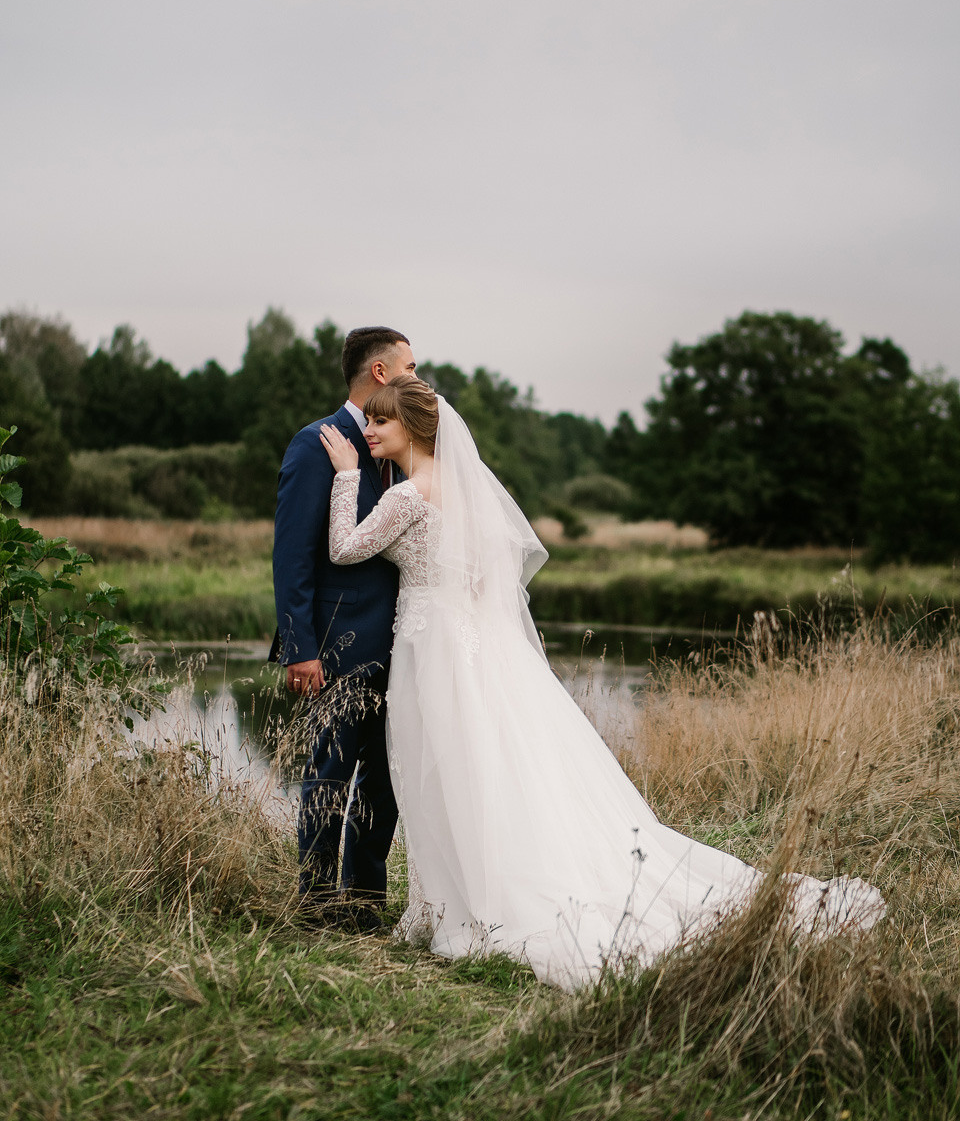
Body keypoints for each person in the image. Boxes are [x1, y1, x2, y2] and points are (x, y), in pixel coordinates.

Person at [318, 377, 885, 989]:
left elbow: (345, 548)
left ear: (416, 429)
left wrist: (347, 474)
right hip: (475, 647)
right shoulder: (464, 490)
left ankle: (462, 909)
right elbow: (488, 578)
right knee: (483, 767)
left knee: (447, 769)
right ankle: (455, 899)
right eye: (367, 423)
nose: (367, 430)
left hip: (434, 648)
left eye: (380, 422)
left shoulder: (407, 497)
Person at [270, 326, 417, 928]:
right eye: (408, 366)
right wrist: (300, 647)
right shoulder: (315, 445)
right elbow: (293, 556)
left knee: (385, 782)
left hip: (408, 644)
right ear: (378, 372)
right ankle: (314, 906)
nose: (417, 375)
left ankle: (363, 905)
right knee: (327, 776)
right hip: (337, 645)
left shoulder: (412, 446)